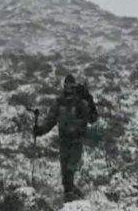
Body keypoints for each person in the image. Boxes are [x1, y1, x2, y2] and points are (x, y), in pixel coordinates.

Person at [33, 74, 98, 202]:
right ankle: (72, 199)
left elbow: (92, 119)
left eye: (70, 86)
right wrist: (40, 130)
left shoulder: (80, 103)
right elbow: (50, 121)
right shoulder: (59, 102)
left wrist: (89, 101)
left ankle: (72, 201)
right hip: (63, 143)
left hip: (76, 142)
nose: (68, 89)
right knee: (65, 178)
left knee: (70, 171)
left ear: (74, 87)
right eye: (66, 86)